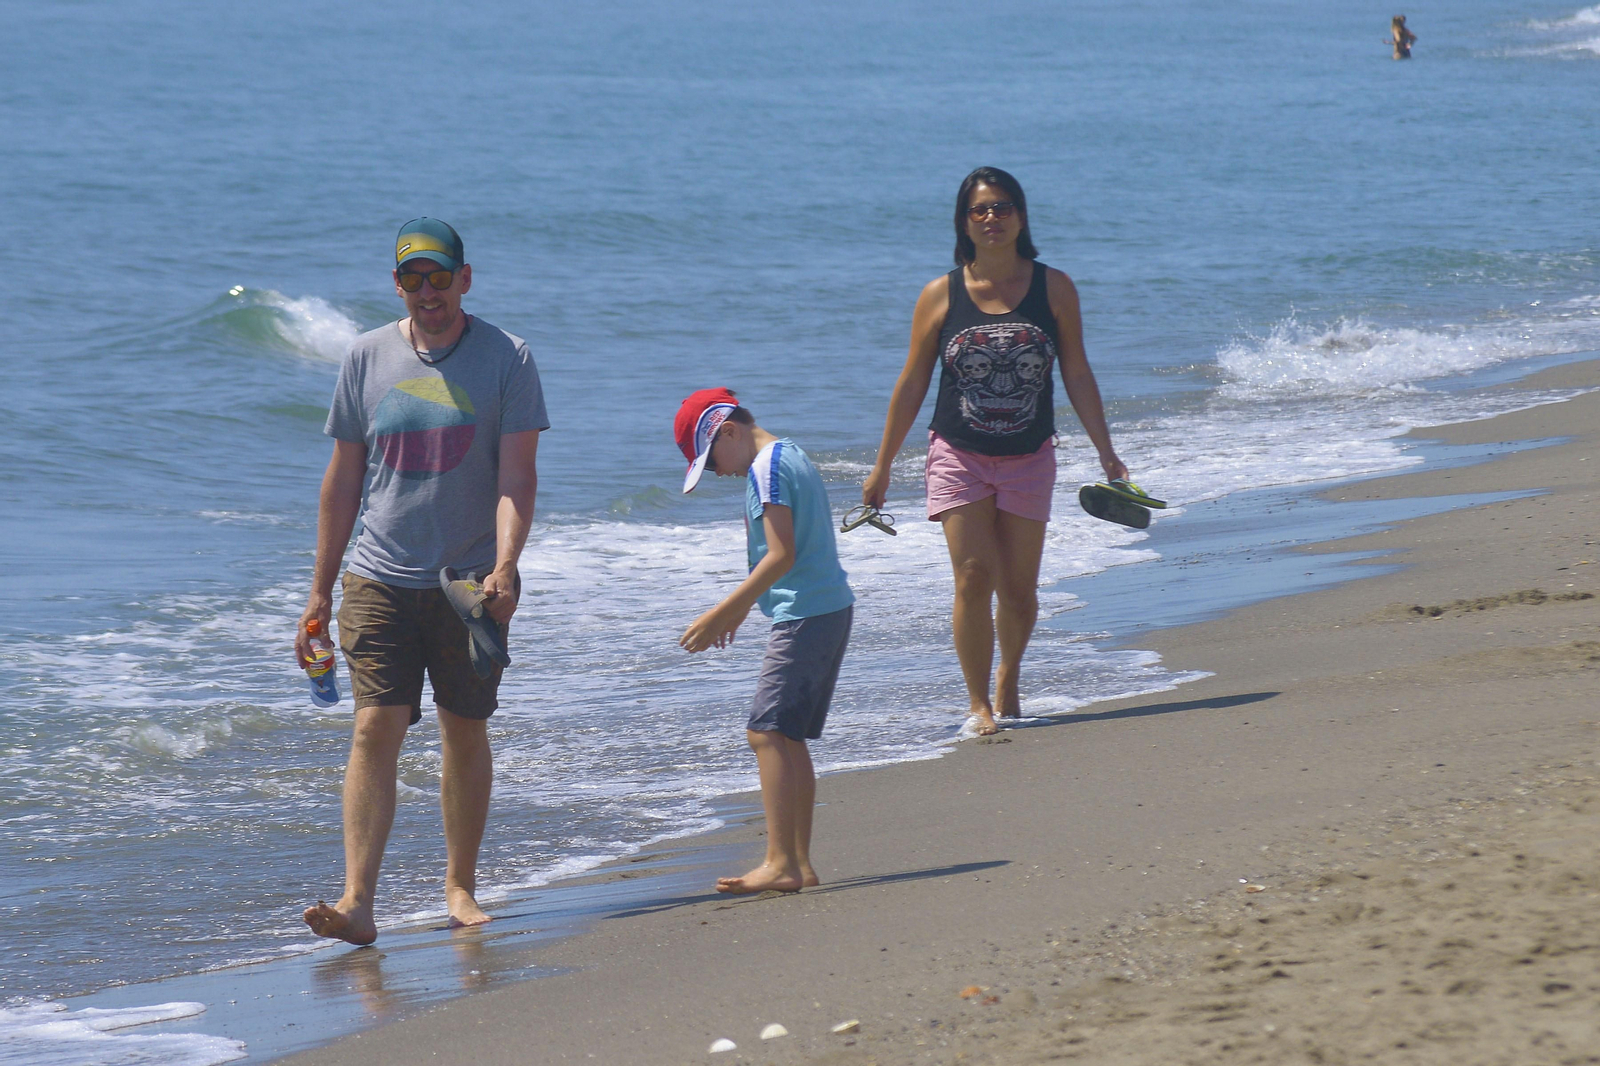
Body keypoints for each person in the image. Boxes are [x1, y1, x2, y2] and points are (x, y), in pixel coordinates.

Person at [296, 217, 548, 945]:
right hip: (375, 574)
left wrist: (505, 566)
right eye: (413, 278)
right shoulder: (365, 357)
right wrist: (318, 591)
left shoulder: (509, 357)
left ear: (465, 279)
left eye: (441, 277)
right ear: (397, 283)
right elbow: (342, 483)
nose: (427, 292)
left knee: (463, 729)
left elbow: (517, 478)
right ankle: (357, 902)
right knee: (375, 726)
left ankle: (459, 885)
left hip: (468, 580)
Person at [862, 167, 1128, 737]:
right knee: (973, 578)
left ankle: (1010, 674)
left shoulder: (1053, 288)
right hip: (959, 451)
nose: (991, 218)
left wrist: (1106, 451)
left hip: (1030, 454)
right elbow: (912, 383)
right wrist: (882, 463)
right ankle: (978, 703)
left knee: (1019, 589)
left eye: (1002, 207)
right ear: (964, 222)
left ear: (1021, 216)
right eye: (979, 210)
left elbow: (1077, 371)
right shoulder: (941, 295)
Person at [675, 389, 854, 894]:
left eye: (711, 462)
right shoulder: (789, 453)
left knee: (766, 732)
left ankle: (781, 861)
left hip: (807, 614)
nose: (718, 473)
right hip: (826, 607)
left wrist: (723, 611)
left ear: (728, 431)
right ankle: (798, 861)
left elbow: (781, 554)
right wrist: (751, 608)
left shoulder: (765, 470)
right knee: (785, 735)